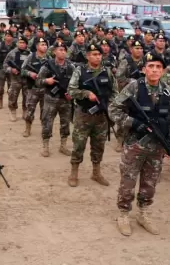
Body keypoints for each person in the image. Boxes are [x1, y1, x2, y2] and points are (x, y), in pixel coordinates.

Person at [109, 51, 169, 236]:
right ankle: (124, 214)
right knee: (128, 180)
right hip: (135, 144)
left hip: (157, 147)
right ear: (144, 70)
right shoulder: (134, 87)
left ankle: (143, 213)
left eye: (158, 67)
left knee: (150, 182)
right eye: (151, 66)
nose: (154, 70)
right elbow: (113, 109)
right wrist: (133, 123)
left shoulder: (167, 90)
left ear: (163, 70)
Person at [67, 44, 118, 187]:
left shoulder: (107, 72)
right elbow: (71, 90)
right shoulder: (80, 71)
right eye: (94, 54)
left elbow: (115, 92)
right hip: (84, 115)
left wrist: (110, 105)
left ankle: (96, 173)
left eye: (99, 54)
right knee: (79, 144)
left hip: (101, 116)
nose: (97, 57)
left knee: (98, 145)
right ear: (88, 56)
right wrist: (85, 94)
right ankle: (74, 173)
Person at [36, 41, 74, 157]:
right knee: (47, 123)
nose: (62, 52)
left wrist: (71, 93)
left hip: (65, 100)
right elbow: (37, 81)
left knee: (65, 124)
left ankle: (63, 146)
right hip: (50, 99)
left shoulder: (70, 66)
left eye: (64, 50)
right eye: (59, 50)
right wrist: (46, 81)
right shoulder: (47, 65)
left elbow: (76, 83)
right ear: (54, 52)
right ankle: (45, 147)